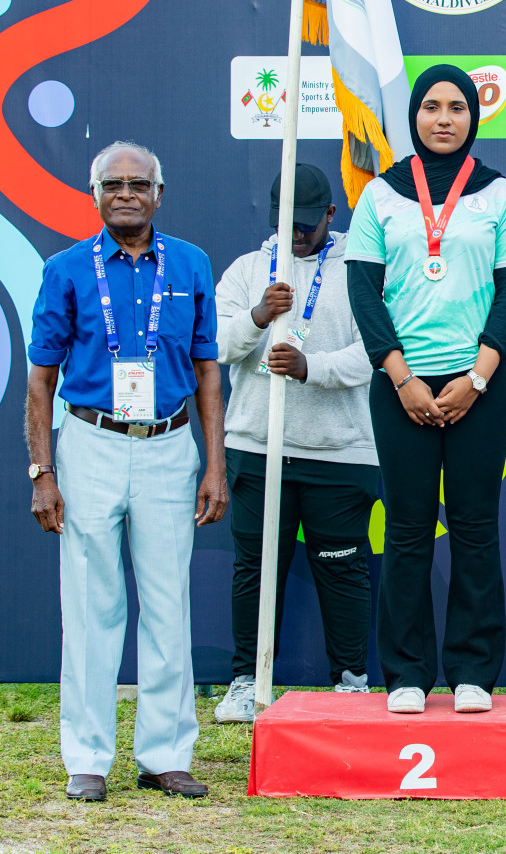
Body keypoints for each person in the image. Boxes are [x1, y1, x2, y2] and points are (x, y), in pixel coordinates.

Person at [25, 141, 228, 801]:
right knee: (91, 606)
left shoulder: (192, 264)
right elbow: (41, 379)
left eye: (137, 183)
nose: (125, 193)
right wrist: (42, 471)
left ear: (159, 193)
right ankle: (87, 759)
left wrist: (215, 464)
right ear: (95, 194)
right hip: (90, 442)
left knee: (169, 606)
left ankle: (165, 756)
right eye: (111, 183)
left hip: (170, 445)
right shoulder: (65, 270)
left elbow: (207, 373)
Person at [346, 65, 506, 714]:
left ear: (474, 117)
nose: (444, 118)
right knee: (406, 530)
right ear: (415, 116)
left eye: (458, 106)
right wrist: (399, 376)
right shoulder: (379, 195)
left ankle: (474, 672)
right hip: (399, 387)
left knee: (477, 528)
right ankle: (404, 673)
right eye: (432, 106)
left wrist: (477, 377)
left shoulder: (500, 195)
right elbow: (364, 294)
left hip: (480, 386)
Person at [211, 163, 379, 723]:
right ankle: (245, 679)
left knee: (343, 566)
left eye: (308, 224)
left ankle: (351, 682)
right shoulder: (246, 271)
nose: (297, 234)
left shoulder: (361, 265)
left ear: (332, 214)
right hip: (258, 444)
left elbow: (377, 349)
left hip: (340, 449)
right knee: (256, 567)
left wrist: (313, 368)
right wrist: (259, 316)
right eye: (287, 224)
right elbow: (214, 344)